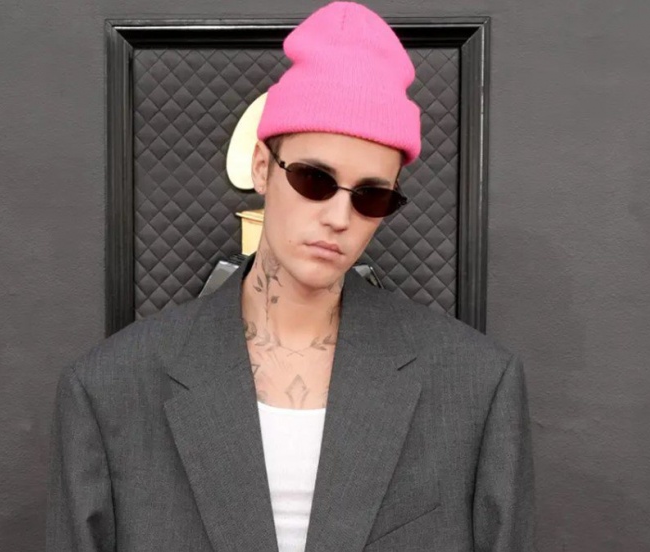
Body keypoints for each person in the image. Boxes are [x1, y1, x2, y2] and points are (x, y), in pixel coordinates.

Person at [46, 2, 535, 551]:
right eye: (314, 179)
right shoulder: (110, 389)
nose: (339, 216)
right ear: (262, 166)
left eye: (371, 195)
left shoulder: (475, 386)